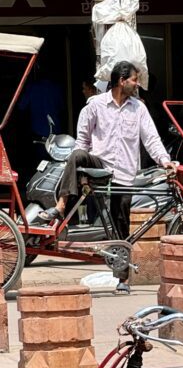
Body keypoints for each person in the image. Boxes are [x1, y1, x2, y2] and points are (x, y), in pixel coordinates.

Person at [37, 61, 174, 289]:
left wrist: (165, 160)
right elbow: (82, 140)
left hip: (125, 173)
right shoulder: (95, 105)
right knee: (77, 155)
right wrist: (81, 172)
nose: (137, 84)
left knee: (120, 223)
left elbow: (151, 139)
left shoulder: (138, 108)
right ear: (122, 81)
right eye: (134, 80)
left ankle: (122, 279)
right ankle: (61, 206)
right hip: (99, 164)